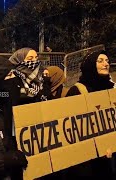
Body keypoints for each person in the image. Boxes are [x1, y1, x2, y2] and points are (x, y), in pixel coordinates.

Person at [64, 50, 115, 179]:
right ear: (90, 65)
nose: (106, 64)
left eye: (107, 61)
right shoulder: (77, 90)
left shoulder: (111, 89)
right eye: (100, 61)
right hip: (87, 163)